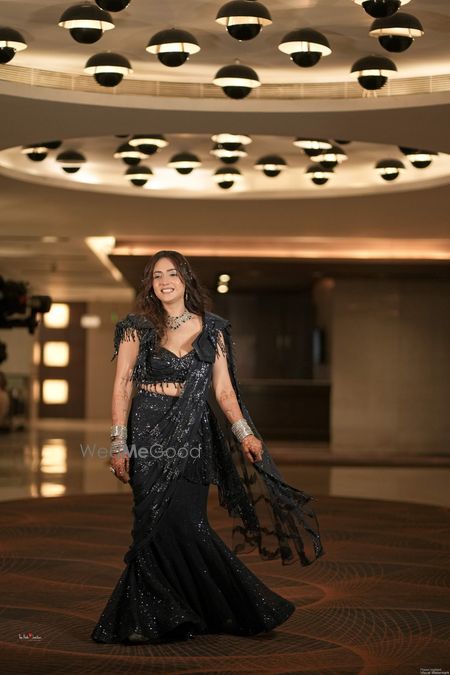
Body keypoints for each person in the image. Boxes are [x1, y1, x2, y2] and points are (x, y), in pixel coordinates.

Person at [91, 250, 325, 645]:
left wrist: (245, 434)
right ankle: (157, 614)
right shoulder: (135, 328)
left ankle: (218, 606)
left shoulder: (213, 329)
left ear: (186, 279)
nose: (165, 281)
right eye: (157, 275)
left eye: (172, 273)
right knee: (152, 524)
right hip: (147, 432)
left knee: (190, 523)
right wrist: (118, 442)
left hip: (192, 437)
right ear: (150, 284)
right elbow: (122, 386)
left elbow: (224, 390)